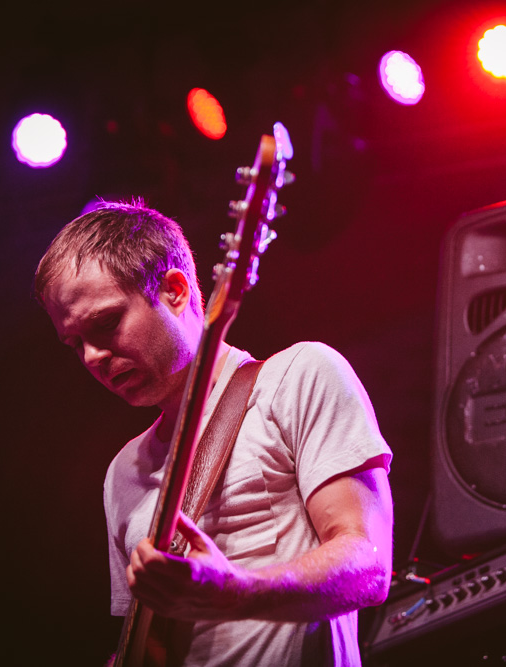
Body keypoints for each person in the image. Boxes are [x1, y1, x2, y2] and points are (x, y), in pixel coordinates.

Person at [34, 200, 393, 665]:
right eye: (74, 343)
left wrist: (235, 593)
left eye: (106, 323)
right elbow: (147, 647)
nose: (92, 357)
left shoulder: (296, 377)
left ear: (174, 291)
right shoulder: (123, 472)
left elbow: (368, 566)